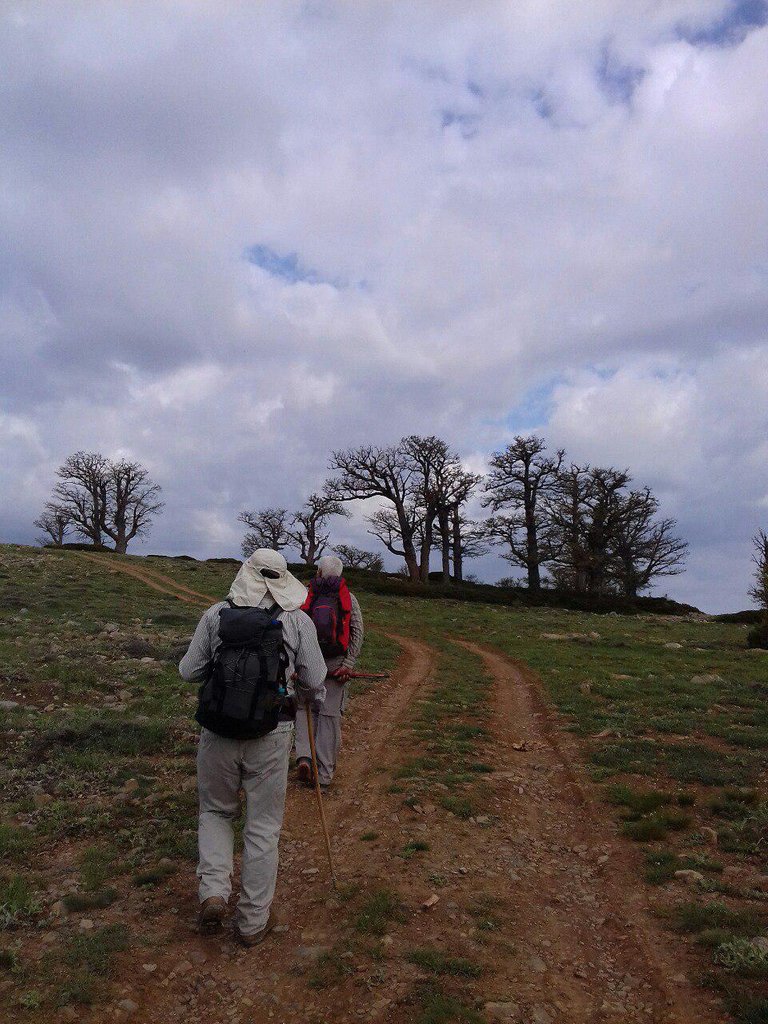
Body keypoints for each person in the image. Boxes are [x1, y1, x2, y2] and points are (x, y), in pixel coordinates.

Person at [179, 549, 327, 947]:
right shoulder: (297, 620)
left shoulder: (216, 615)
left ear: (244, 573)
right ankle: (251, 922)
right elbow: (314, 678)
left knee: (215, 811)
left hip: (218, 732)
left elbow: (188, 670)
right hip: (272, 734)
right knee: (262, 827)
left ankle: (213, 891)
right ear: (283, 580)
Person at [294, 554, 364, 791]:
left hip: (307, 662)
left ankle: (304, 757)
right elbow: (357, 631)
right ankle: (323, 775)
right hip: (335, 665)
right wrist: (349, 663)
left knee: (304, 708)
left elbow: (296, 629)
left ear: (319, 573)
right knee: (329, 716)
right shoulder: (348, 598)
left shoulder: (306, 594)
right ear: (340, 574)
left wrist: (295, 664)